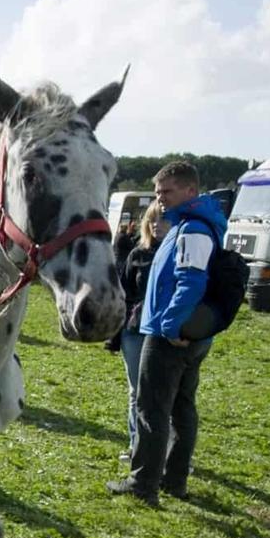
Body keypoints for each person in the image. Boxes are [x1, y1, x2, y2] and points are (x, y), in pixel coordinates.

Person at [108, 161, 224, 505]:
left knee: (152, 407)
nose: (160, 199)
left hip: (170, 335)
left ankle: (144, 484)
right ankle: (173, 480)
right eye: (157, 193)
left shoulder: (193, 230)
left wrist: (170, 325)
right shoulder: (188, 224)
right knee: (180, 407)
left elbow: (191, 282)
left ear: (191, 191)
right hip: (184, 332)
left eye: (167, 191)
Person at [105, 200, 168, 459]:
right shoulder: (137, 254)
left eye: (162, 220)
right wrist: (115, 334)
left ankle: (166, 453)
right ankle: (136, 445)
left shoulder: (176, 252)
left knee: (163, 393)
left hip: (164, 332)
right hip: (134, 329)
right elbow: (124, 291)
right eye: (152, 220)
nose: (156, 225)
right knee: (136, 391)